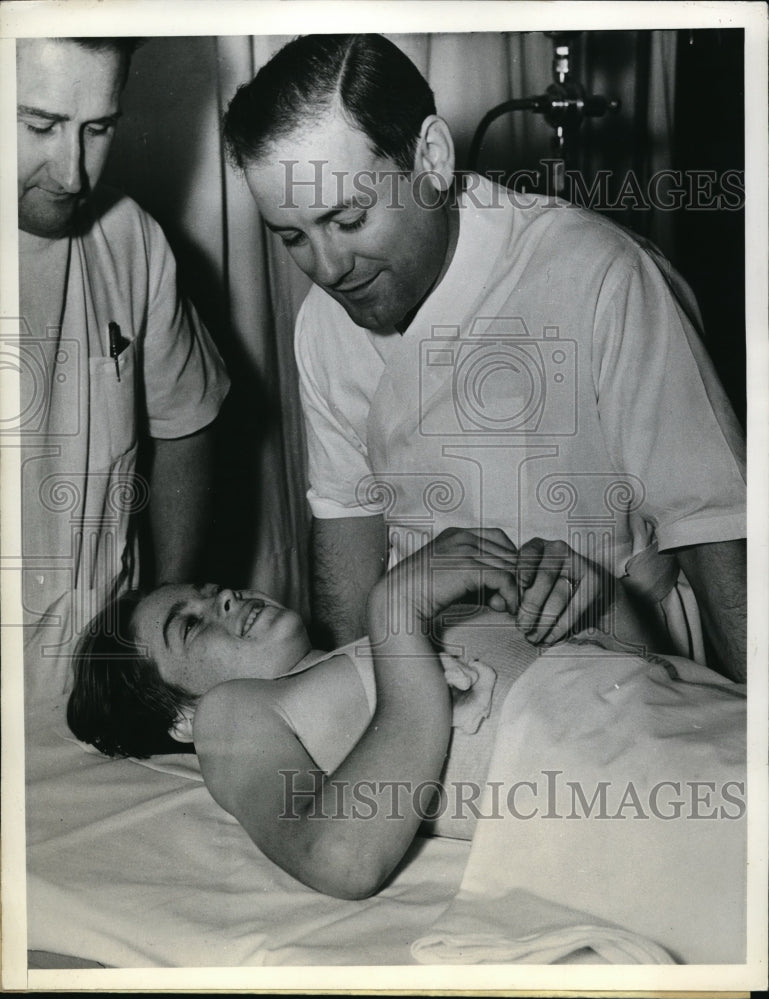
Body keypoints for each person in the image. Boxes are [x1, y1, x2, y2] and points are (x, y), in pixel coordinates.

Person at [221, 33, 747, 682]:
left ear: (432, 159)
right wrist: (353, 703)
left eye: (350, 220)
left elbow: (712, 525)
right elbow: (347, 524)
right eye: (292, 236)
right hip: (440, 677)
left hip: (619, 659)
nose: (327, 268)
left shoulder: (598, 273)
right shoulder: (324, 323)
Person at [67, 527, 666, 899]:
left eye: (210, 589)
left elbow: (649, 673)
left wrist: (593, 598)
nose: (224, 596)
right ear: (182, 720)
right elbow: (341, 859)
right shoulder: (234, 713)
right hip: (655, 793)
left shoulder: (395, 639)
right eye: (191, 626)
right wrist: (394, 612)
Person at [16, 37, 230, 703]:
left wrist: (159, 618)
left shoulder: (128, 237)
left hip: (96, 689)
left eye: (98, 128)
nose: (73, 172)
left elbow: (186, 424)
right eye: (40, 125)